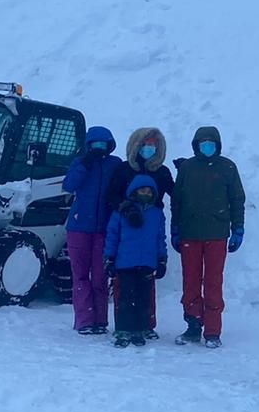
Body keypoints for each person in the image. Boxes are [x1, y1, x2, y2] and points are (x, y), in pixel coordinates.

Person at [170, 126, 246, 348]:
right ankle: (193, 325)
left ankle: (213, 330)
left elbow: (237, 200)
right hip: (190, 234)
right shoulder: (187, 168)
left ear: (218, 144)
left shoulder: (228, 168)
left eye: (210, 142)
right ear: (196, 145)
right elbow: (177, 201)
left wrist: (238, 229)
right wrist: (175, 229)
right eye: (202, 142)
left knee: (213, 283)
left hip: (217, 234)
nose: (206, 146)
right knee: (190, 282)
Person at [106, 128, 175, 336]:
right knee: (124, 289)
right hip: (126, 225)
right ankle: (124, 327)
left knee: (147, 290)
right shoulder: (125, 170)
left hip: (151, 227)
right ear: (137, 145)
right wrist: (125, 208)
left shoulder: (162, 172)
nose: (149, 148)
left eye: (154, 144)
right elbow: (111, 195)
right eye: (145, 144)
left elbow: (176, 194)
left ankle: (146, 326)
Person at [62, 126, 121, 335]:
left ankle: (100, 320)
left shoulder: (115, 165)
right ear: (88, 146)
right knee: (80, 276)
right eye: (95, 144)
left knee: (100, 276)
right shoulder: (80, 163)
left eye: (103, 144)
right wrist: (85, 165)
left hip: (104, 228)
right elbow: (69, 185)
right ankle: (84, 320)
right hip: (79, 228)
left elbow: (121, 188)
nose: (99, 148)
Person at [103, 173, 168, 347]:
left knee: (143, 299)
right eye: (142, 190)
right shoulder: (121, 212)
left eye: (149, 191)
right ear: (134, 191)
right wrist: (109, 258)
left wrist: (162, 259)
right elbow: (112, 236)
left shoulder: (156, 214)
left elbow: (160, 238)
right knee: (125, 298)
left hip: (147, 263)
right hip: (125, 263)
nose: (145, 193)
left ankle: (140, 329)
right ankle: (124, 330)